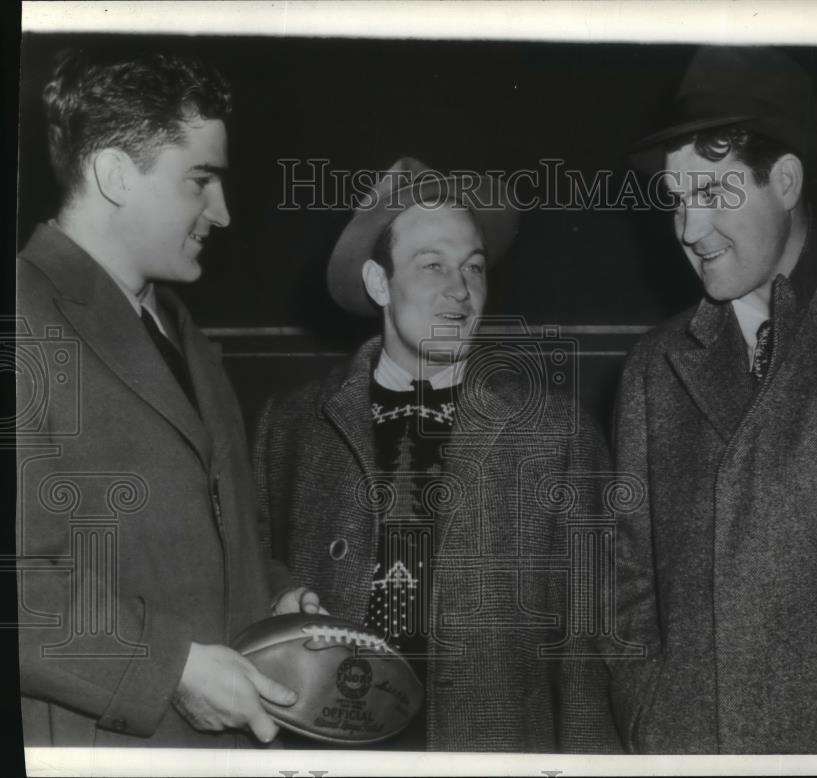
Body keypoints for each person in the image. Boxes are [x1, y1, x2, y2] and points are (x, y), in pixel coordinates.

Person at [253, 158, 623, 752]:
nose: (461, 290)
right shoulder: (290, 426)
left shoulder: (557, 434)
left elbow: (593, 644)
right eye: (432, 267)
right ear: (380, 284)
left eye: (473, 268)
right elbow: (248, 577)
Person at [16, 48, 321, 747]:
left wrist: (272, 598)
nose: (223, 211)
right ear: (115, 175)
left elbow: (197, 545)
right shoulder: (21, 316)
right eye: (200, 179)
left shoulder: (179, 328)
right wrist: (172, 667)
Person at [611, 45, 817, 753]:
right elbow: (626, 585)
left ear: (786, 180)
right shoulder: (654, 368)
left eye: (711, 194)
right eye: (676, 200)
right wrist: (652, 716)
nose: (688, 230)